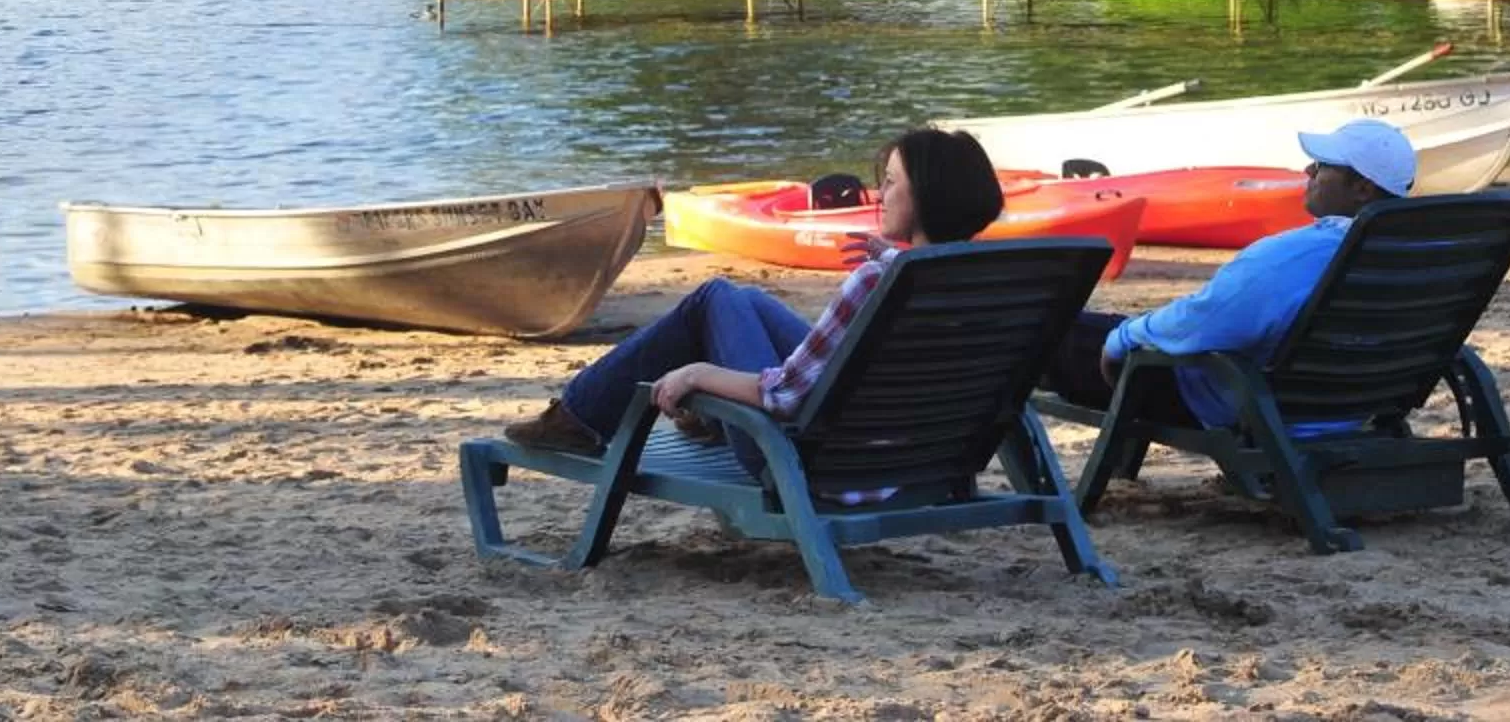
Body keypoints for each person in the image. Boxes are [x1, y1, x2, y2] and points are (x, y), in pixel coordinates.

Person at [502, 127, 1007, 464]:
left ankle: (579, 417)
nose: (879, 194)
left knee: (713, 299)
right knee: (747, 302)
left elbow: (786, 395)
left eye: (892, 182)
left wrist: (696, 374)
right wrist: (892, 255)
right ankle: (695, 421)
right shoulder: (986, 278)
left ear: (928, 196)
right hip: (916, 456)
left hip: (812, 458)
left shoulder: (881, 282)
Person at [1041, 119, 1418, 428]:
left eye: (1321, 166)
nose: (1308, 171)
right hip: (1348, 404)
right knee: (1087, 327)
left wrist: (1121, 339)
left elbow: (1206, 321)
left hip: (1241, 400)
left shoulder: (1296, 255)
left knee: (1039, 336)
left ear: (1362, 188)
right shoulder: (1417, 252)